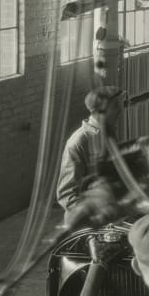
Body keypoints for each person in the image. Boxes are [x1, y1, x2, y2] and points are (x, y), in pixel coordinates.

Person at [56, 85, 124, 227]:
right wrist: (96, 213)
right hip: (87, 224)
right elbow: (66, 195)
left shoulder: (108, 134)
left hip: (109, 217)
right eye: (115, 106)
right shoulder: (78, 143)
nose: (120, 110)